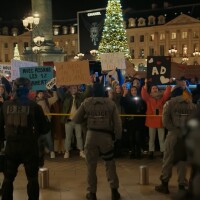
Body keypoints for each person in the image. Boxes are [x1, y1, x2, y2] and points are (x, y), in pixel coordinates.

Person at [0, 77, 50, 200]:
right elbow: (45, 129)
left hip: (11, 146)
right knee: (32, 178)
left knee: (8, 178)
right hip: (30, 147)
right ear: (28, 90)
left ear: (14, 89)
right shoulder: (34, 106)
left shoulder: (5, 105)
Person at [72, 82, 122, 200]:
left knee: (91, 165)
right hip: (106, 137)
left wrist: (86, 124)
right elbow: (117, 123)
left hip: (91, 136)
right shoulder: (111, 103)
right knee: (109, 163)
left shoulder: (87, 102)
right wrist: (117, 137)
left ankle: (92, 193)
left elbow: (76, 119)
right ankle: (114, 191)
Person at [155, 86, 197, 194]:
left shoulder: (169, 104)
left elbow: (165, 122)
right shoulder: (192, 106)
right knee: (183, 160)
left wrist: (174, 130)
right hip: (187, 135)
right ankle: (182, 185)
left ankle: (164, 184)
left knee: (168, 159)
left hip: (173, 134)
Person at [141, 79, 171, 159]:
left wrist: (168, 83)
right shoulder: (149, 98)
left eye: (156, 88)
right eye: (153, 88)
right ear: (151, 90)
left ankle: (163, 151)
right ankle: (151, 151)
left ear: (158, 89)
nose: (155, 89)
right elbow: (143, 94)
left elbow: (167, 93)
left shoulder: (162, 98)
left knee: (161, 138)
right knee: (152, 138)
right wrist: (145, 83)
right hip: (151, 120)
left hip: (160, 121)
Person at [121, 85, 146, 159]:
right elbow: (122, 103)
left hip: (138, 122)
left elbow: (143, 109)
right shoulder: (128, 99)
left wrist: (140, 108)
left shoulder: (140, 99)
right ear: (130, 91)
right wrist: (124, 94)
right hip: (130, 122)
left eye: (135, 90)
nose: (134, 92)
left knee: (137, 137)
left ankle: (138, 152)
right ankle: (132, 152)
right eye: (132, 90)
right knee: (131, 138)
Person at [35, 89, 58, 159]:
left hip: (46, 122)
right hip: (38, 123)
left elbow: (55, 98)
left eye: (42, 93)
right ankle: (41, 152)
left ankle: (51, 151)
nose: (41, 95)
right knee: (38, 139)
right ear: (37, 95)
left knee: (48, 138)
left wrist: (54, 90)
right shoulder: (33, 103)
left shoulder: (47, 101)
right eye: (39, 93)